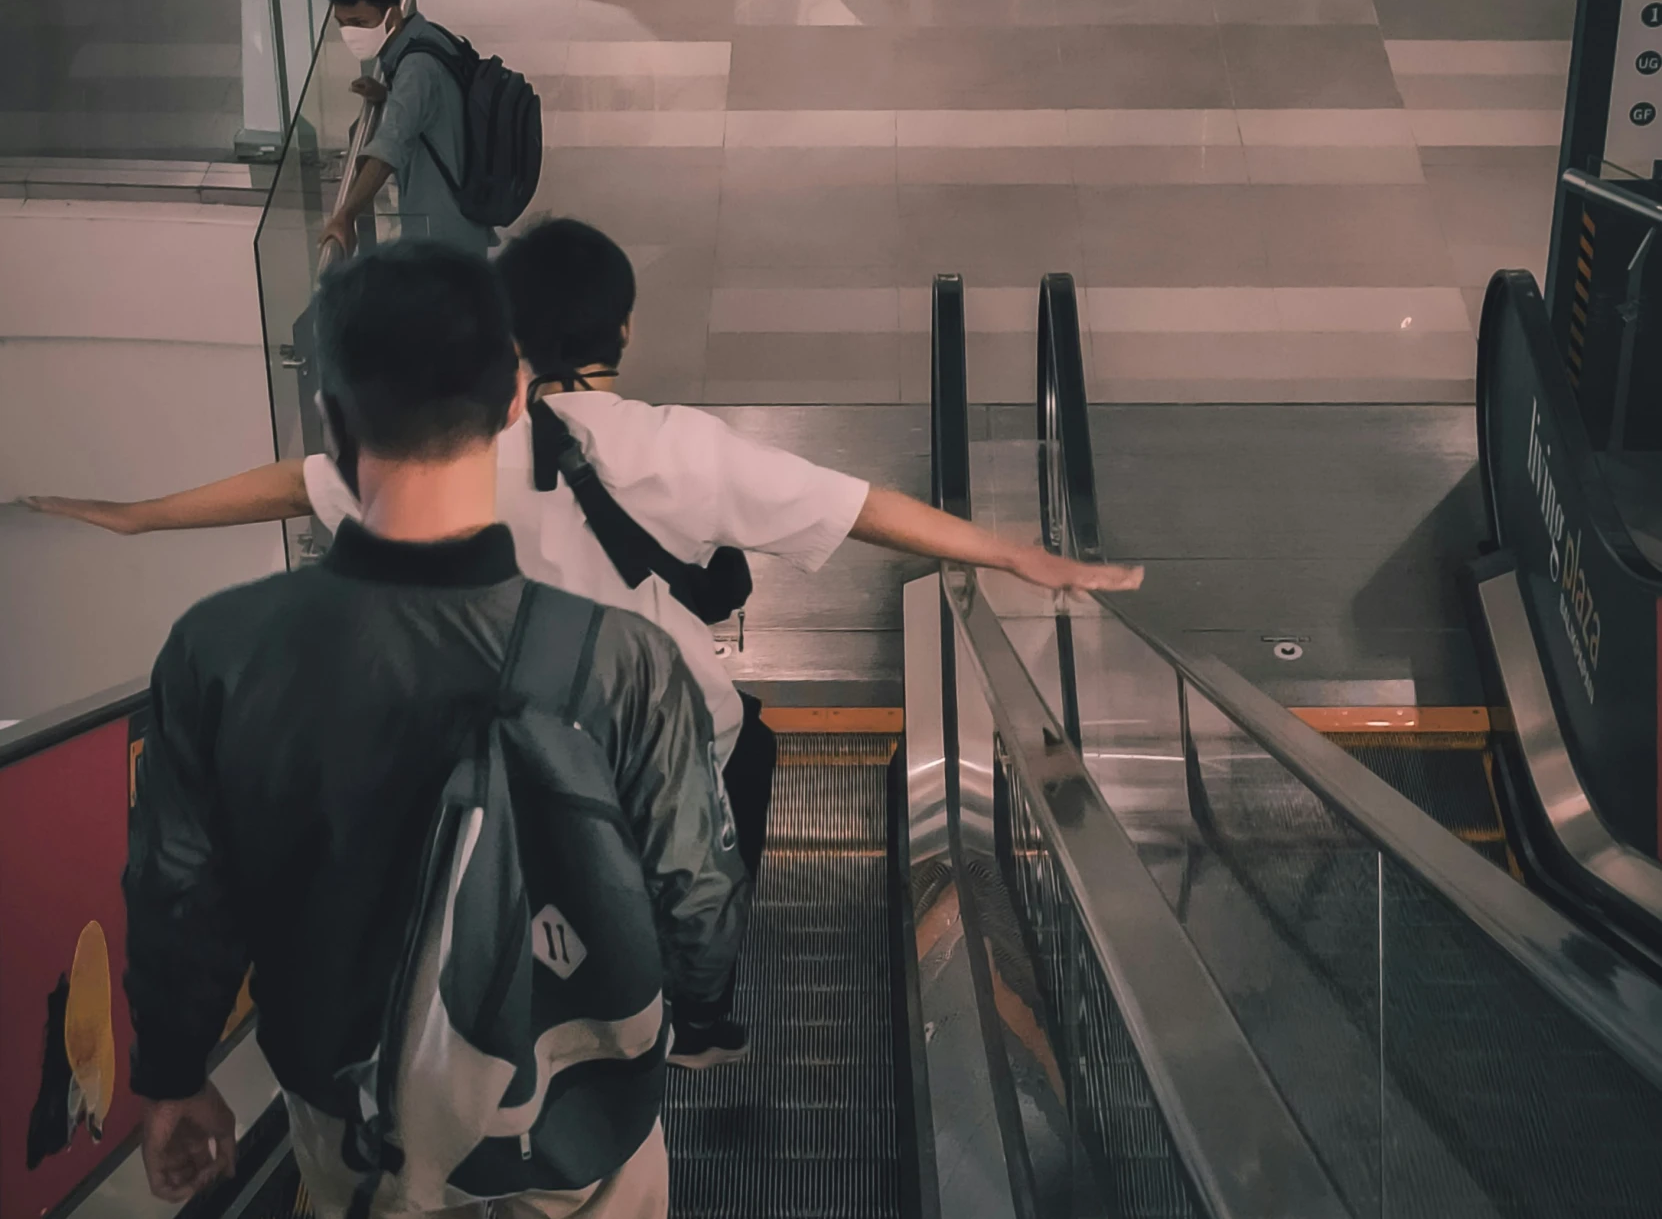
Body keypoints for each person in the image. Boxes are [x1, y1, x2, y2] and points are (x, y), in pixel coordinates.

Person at [35, 220, 1142, 1065]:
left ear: (505, 336)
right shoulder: (676, 447)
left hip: (479, 739)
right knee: (741, 750)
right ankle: (697, 1012)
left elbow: (293, 481)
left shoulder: (456, 440)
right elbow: (865, 507)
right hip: (650, 738)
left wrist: (138, 514)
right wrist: (1014, 554)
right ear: (619, 332)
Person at [124, 242, 745, 1219]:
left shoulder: (222, 648)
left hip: (348, 1077)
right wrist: (688, 1013)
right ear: (517, 397)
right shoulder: (619, 659)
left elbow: (183, 888)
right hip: (574, 1073)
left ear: (332, 417)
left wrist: (177, 1073)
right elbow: (696, 887)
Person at [319, 0, 491, 261]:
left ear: (392, 15)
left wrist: (346, 214)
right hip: (461, 215)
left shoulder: (416, 66)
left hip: (442, 230)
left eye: (360, 23)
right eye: (342, 24)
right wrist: (387, 96)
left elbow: (390, 147)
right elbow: (430, 104)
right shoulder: (428, 36)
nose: (350, 33)